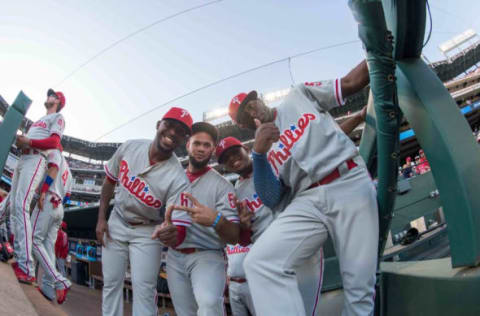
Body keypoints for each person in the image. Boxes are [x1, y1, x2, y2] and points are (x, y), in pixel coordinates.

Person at [228, 60, 378, 316]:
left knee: (359, 287)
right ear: (243, 125)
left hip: (348, 181)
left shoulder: (297, 96)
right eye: (244, 114)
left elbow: (350, 83)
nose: (252, 110)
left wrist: (380, 42)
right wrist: (260, 155)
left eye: (252, 103)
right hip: (307, 200)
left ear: (261, 99)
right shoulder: (262, 147)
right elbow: (272, 198)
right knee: (261, 262)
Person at [96, 107, 193, 316]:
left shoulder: (178, 178)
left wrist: (172, 230)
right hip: (117, 220)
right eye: (170, 125)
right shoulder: (130, 147)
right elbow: (109, 181)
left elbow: (177, 224)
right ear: (159, 124)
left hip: (147, 231)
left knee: (145, 290)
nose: (173, 133)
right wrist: (101, 218)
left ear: (184, 140)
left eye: (181, 131)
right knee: (111, 283)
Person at [153, 122, 240, 316]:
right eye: (197, 143)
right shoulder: (174, 180)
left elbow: (234, 236)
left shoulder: (223, 185)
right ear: (188, 145)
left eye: (206, 145)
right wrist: (165, 230)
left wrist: (216, 220)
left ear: (213, 149)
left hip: (207, 255)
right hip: (175, 257)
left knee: (209, 306)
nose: (201, 149)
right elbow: (170, 223)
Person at [10, 88, 66, 284]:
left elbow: (53, 141)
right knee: (12, 207)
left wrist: (30, 140)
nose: (48, 96)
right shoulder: (39, 120)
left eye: (53, 95)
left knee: (21, 205)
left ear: (58, 101)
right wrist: (22, 141)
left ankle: (26, 267)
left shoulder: (58, 117)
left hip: (35, 159)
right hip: (23, 158)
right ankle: (15, 253)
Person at [31, 149, 72, 304]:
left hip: (49, 199)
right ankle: (48, 288)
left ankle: (59, 280)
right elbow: (68, 196)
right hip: (59, 207)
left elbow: (53, 169)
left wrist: (43, 192)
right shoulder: (69, 170)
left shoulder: (55, 153)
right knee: (48, 247)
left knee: (34, 240)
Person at [225, 243, 256, 316]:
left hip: (249, 283)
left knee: (259, 312)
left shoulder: (251, 240)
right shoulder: (227, 243)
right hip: (232, 284)